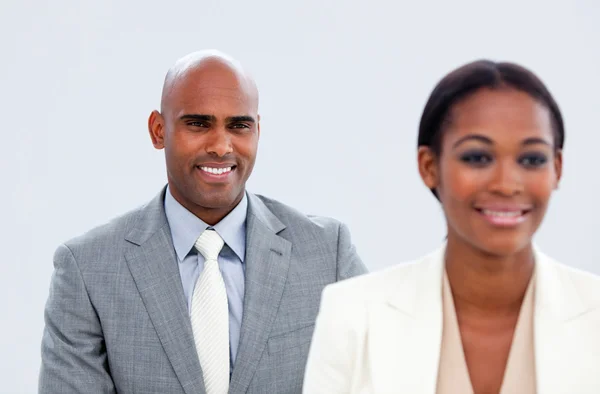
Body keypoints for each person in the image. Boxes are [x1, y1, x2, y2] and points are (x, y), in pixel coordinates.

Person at [38, 50, 367, 394]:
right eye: (198, 124)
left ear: (258, 131)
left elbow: (379, 379)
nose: (222, 146)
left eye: (239, 126)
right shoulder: (87, 269)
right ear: (158, 130)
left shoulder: (328, 254)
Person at [303, 60, 600, 393]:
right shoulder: (353, 314)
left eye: (532, 159)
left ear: (557, 169)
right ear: (430, 166)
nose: (506, 184)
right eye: (477, 157)